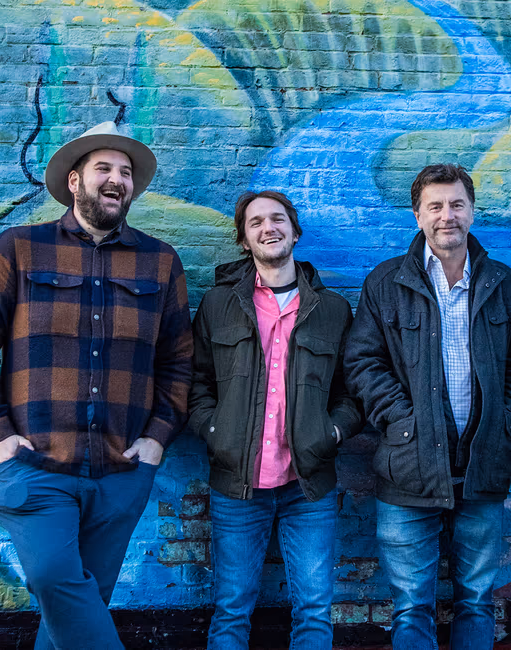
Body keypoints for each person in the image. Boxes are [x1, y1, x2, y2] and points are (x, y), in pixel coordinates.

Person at [0, 121, 193, 649]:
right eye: (104, 169)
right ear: (74, 181)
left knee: (70, 613)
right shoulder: (17, 249)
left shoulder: (161, 261)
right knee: (51, 579)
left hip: (122, 470)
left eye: (126, 172)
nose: (117, 180)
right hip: (37, 465)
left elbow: (179, 362)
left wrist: (156, 440)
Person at [345, 163, 511, 648]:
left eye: (456, 204)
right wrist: (403, 422)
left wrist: (503, 421)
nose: (447, 215)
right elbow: (362, 363)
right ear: (417, 215)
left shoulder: (502, 282)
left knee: (476, 601)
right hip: (407, 471)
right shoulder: (386, 282)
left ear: (472, 211)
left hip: (483, 469)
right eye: (435, 206)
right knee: (412, 607)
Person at [188, 190, 363, 649]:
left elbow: (353, 390)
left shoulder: (333, 310)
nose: (270, 228)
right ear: (244, 240)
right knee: (231, 610)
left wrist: (334, 431)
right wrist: (215, 430)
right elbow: (195, 382)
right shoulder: (218, 305)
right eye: (256, 222)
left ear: (295, 230)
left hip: (309, 486)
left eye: (278, 219)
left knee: (313, 612)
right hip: (236, 485)